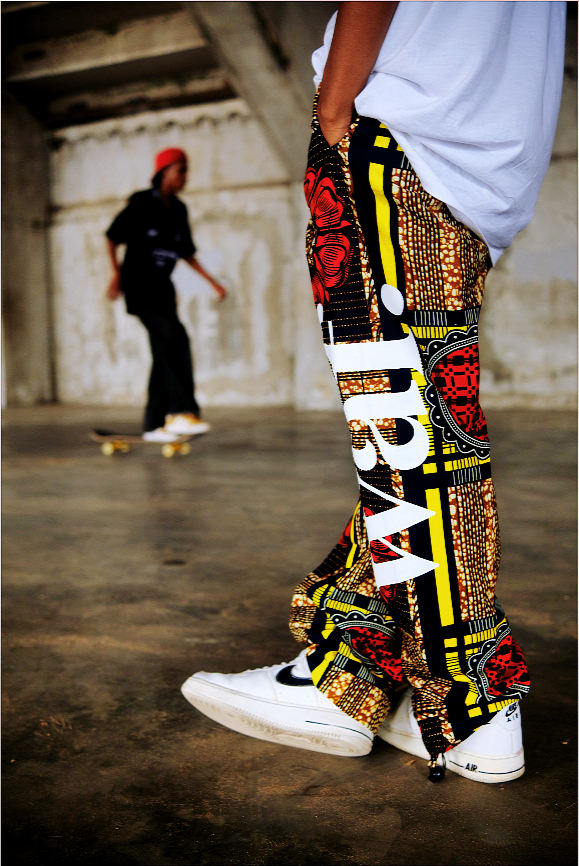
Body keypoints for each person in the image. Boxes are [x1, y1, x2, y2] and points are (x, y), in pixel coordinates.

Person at [180, 2, 566, 783]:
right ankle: (355, 677)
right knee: (419, 432)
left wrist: (333, 110)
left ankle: (470, 707)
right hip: (479, 166)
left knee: (404, 437)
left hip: (392, 141)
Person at [106, 148, 227, 441]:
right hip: (139, 286)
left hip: (163, 290)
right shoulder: (141, 203)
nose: (185, 176)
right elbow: (112, 236)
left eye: (186, 170)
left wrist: (212, 282)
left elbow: (186, 252)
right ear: (164, 172)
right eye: (180, 170)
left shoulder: (179, 210)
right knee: (175, 338)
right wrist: (117, 274)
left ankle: (153, 425)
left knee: (164, 350)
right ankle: (180, 412)